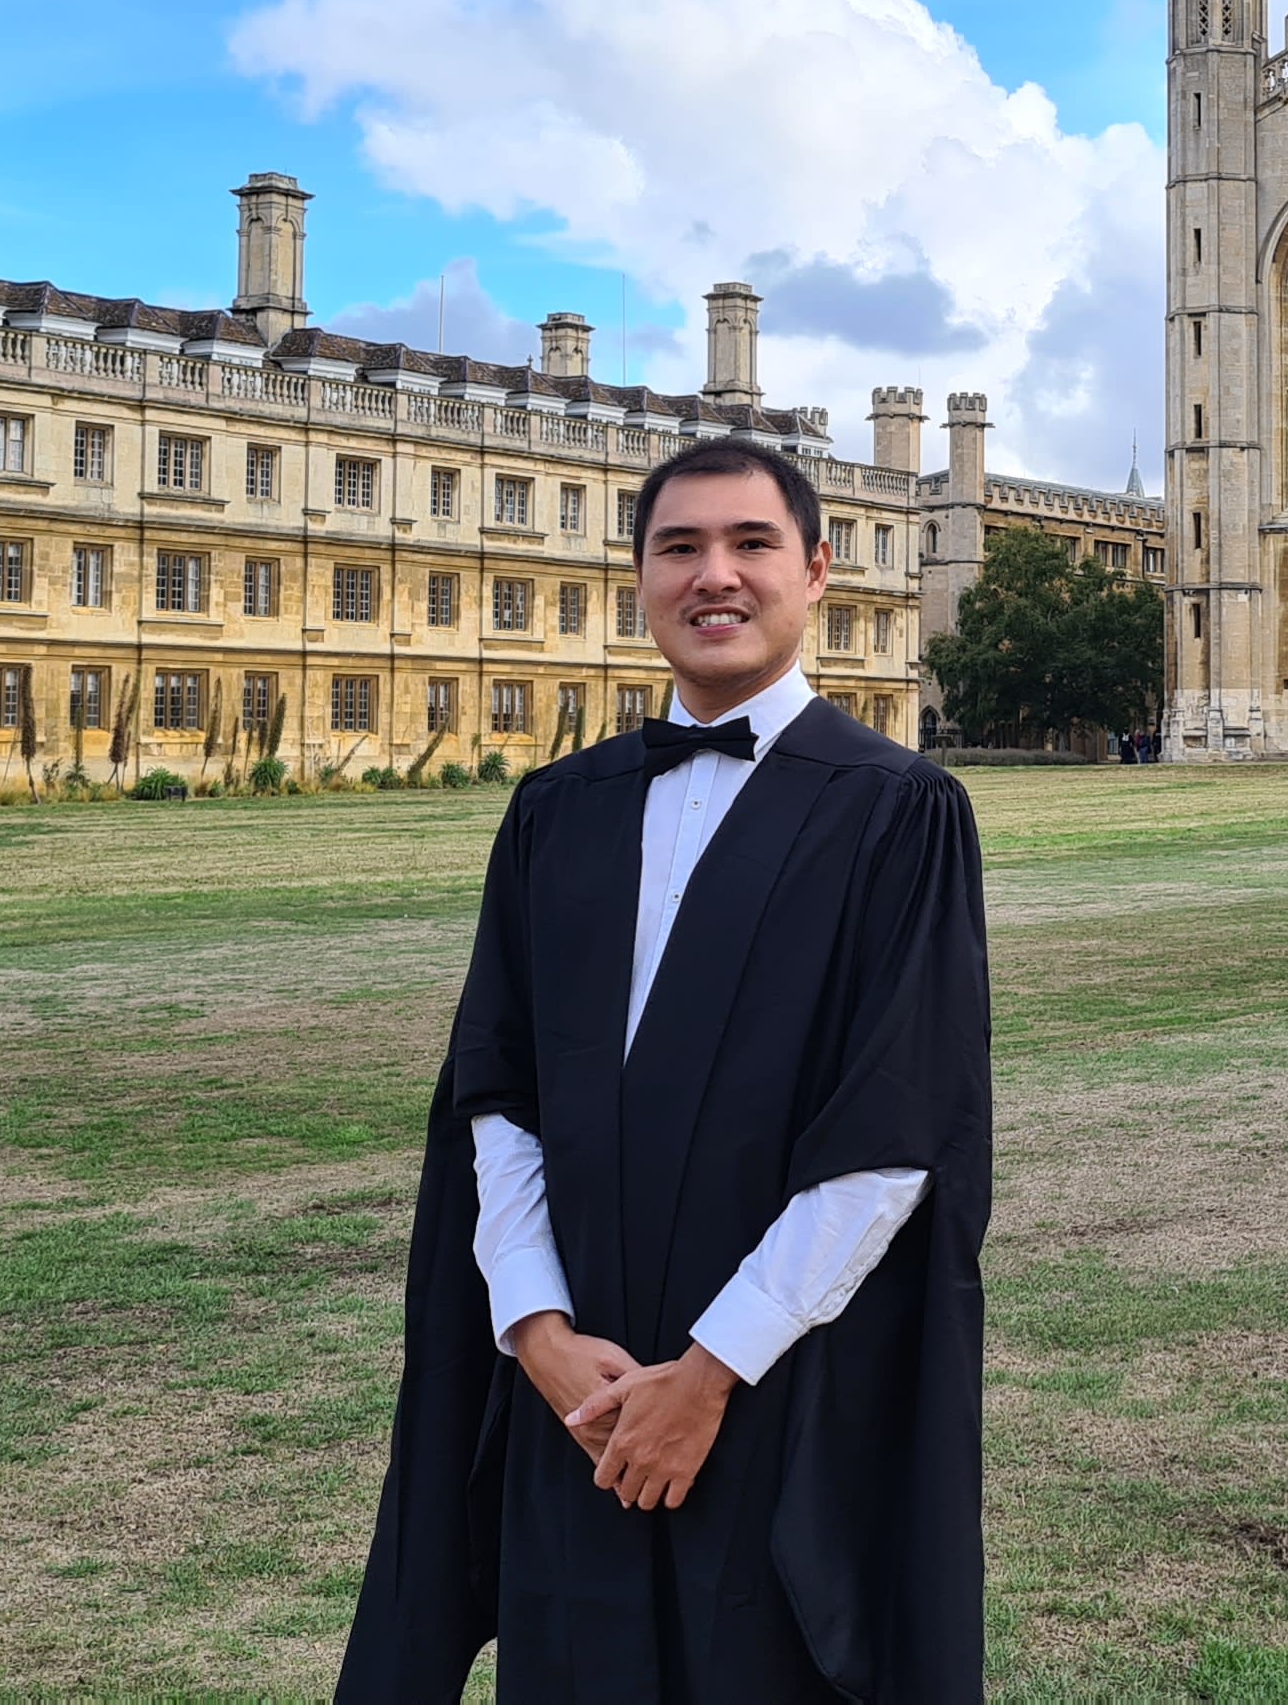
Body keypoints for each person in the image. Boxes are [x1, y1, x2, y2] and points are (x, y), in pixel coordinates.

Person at [342, 437, 992, 1702]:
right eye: (680, 546)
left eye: (751, 545)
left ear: (816, 572)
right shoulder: (556, 810)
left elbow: (893, 1129)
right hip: (575, 1385)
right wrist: (534, 1332)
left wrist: (708, 1375)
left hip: (775, 1382)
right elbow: (497, 1092)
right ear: (639, 576)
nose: (716, 576)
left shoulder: (895, 811)